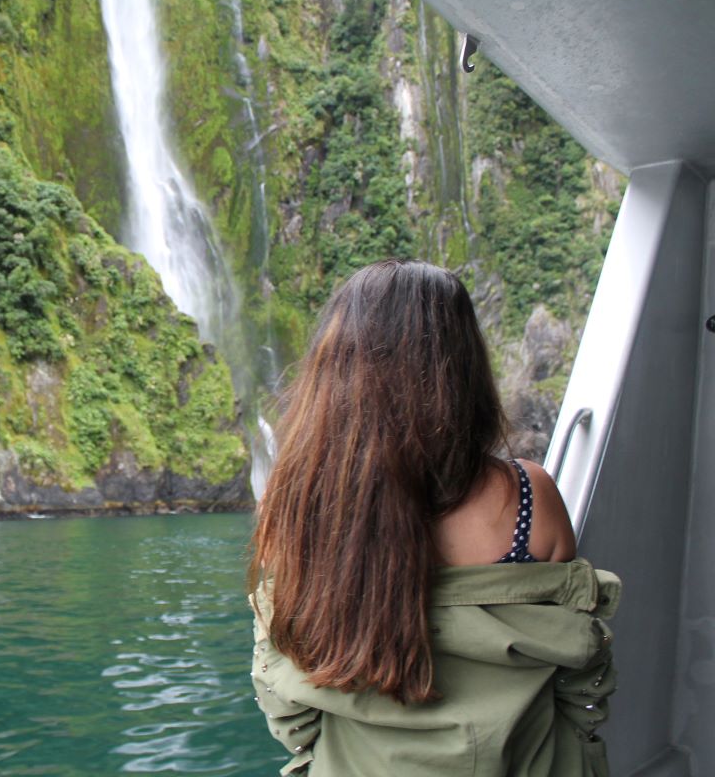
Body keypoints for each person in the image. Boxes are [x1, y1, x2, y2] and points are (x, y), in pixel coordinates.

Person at [248, 260, 619, 776]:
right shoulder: (528, 496)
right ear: (463, 366)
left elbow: (284, 698)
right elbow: (580, 663)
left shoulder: (293, 508)